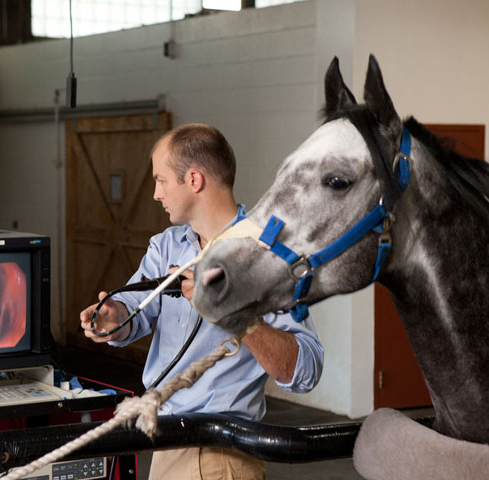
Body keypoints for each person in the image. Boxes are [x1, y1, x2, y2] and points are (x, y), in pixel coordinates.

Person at [79, 123, 324, 480]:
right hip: (163, 443)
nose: (155, 194)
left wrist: (234, 313)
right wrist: (113, 316)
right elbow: (134, 310)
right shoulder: (166, 247)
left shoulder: (269, 256)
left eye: (161, 180)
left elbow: (305, 370)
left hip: (221, 454)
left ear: (194, 180)